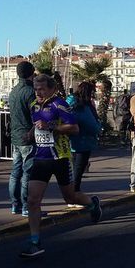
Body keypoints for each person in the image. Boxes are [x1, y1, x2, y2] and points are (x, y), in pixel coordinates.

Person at [19, 74, 101, 258]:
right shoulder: (34, 106)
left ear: (51, 89)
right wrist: (31, 133)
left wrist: (50, 126)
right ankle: (34, 241)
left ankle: (92, 204)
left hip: (60, 158)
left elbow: (74, 128)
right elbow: (37, 123)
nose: (38, 92)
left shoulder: (60, 105)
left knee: (70, 198)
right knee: (32, 200)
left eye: (41, 89)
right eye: (36, 89)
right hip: (41, 158)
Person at [8, 60, 36, 216]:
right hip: (28, 136)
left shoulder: (14, 91)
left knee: (15, 172)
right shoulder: (30, 92)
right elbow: (35, 115)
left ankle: (15, 204)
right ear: (31, 73)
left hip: (16, 136)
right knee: (27, 173)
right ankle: (26, 206)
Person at [69, 81, 103, 192]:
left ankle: (72, 192)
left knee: (74, 167)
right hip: (84, 141)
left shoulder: (70, 102)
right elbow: (92, 125)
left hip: (71, 140)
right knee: (78, 169)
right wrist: (99, 127)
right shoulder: (83, 106)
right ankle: (74, 193)